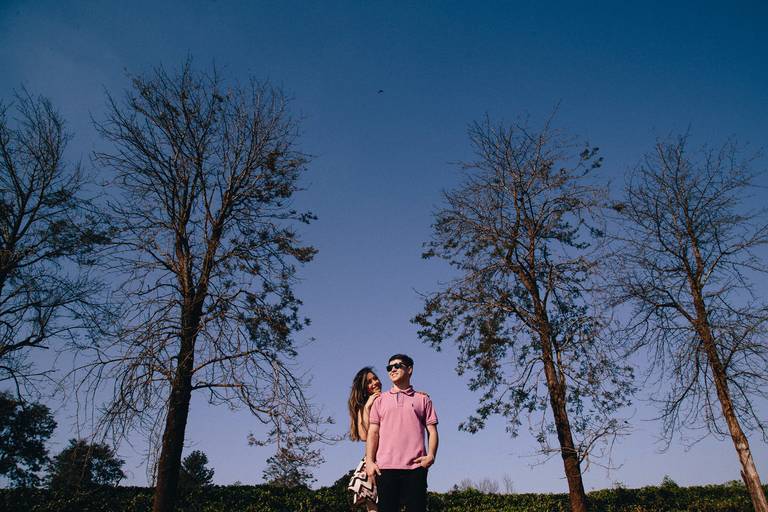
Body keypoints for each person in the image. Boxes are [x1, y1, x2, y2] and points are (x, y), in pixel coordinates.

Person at [365, 354, 439, 512]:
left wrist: (431, 455)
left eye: (397, 366)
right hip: (385, 469)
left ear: (409, 370)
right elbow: (373, 433)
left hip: (415, 468)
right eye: (389, 367)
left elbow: (432, 431)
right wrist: (370, 461)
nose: (392, 369)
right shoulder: (380, 401)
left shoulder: (423, 399)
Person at [347, 367, 382, 510]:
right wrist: (367, 408)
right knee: (373, 506)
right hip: (373, 458)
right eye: (369, 382)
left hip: (392, 456)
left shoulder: (387, 399)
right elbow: (363, 436)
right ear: (363, 388)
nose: (375, 382)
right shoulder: (362, 408)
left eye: (375, 378)